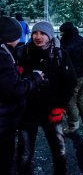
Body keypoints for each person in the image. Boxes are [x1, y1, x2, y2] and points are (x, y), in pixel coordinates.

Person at [16, 21, 77, 175]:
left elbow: (70, 82)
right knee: (24, 153)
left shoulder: (59, 53)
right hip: (28, 110)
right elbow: (15, 81)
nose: (38, 36)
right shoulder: (23, 52)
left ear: (49, 36)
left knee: (59, 150)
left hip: (52, 110)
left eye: (43, 33)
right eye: (35, 33)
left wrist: (60, 106)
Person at [0, 17, 42, 175]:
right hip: (4, 121)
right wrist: (35, 79)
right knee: (4, 160)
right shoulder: (3, 55)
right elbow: (13, 89)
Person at [59, 22, 83, 133]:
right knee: (81, 98)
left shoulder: (66, 43)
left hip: (74, 77)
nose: (61, 34)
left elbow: (62, 60)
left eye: (62, 32)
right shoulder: (81, 39)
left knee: (70, 101)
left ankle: (73, 125)